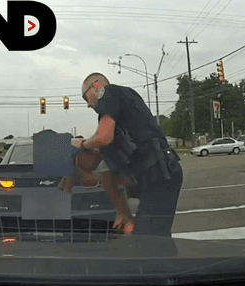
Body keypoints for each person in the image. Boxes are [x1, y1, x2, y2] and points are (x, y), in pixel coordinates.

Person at [60, 72, 183, 237]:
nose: (88, 104)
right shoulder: (119, 118)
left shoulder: (110, 92)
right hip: (156, 174)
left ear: (96, 85)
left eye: (85, 97)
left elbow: (103, 137)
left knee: (149, 242)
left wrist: (81, 144)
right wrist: (123, 213)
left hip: (159, 170)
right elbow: (104, 171)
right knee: (155, 239)